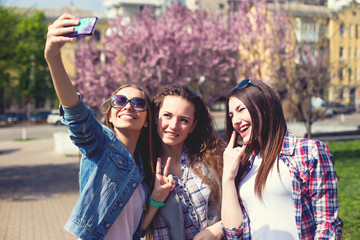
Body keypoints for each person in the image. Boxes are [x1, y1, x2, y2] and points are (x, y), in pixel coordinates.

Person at [44, 14, 173, 240]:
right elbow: (76, 114)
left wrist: (156, 199)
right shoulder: (101, 145)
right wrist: (53, 57)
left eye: (139, 103)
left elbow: (136, 230)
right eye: (120, 101)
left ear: (146, 121)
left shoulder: (142, 168)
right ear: (111, 115)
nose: (128, 107)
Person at [221, 79, 343, 240]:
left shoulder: (309, 151)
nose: (235, 120)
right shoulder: (246, 165)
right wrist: (228, 178)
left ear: (264, 107)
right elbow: (234, 235)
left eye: (240, 109)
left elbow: (327, 225)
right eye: (231, 115)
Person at [149, 85, 226, 240]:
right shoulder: (143, 165)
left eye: (183, 120)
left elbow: (242, 204)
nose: (173, 126)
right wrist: (155, 199)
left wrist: (220, 228)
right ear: (157, 115)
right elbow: (136, 227)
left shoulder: (212, 158)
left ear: (193, 126)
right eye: (168, 116)